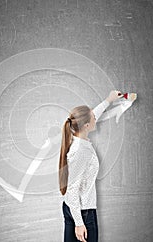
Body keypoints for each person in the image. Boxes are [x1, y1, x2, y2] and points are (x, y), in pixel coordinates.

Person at [59, 90, 123, 242]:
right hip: (83, 212)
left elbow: (92, 115)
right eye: (94, 118)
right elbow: (73, 188)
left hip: (72, 208)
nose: (96, 118)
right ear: (87, 125)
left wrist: (109, 100)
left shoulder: (78, 136)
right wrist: (79, 223)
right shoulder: (81, 151)